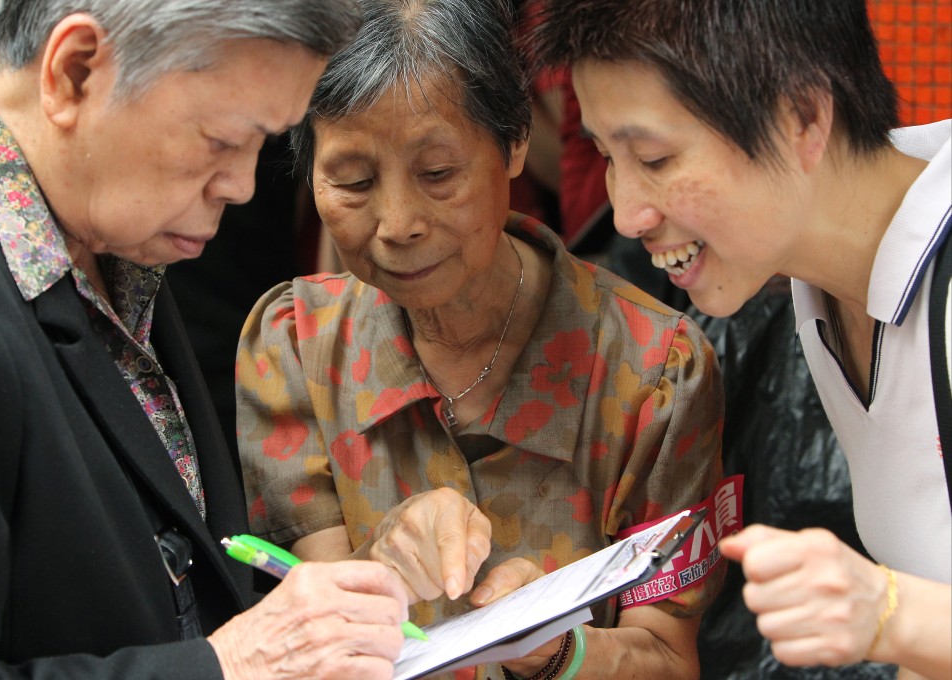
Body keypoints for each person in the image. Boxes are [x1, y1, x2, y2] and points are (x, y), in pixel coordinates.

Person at [236, 1, 729, 678]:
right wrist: (379, 565)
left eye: (438, 174)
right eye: (353, 181)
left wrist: (554, 647)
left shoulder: (654, 373)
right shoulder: (295, 349)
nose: (399, 223)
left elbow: (668, 659)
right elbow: (322, 645)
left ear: (516, 139)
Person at [0, 1, 415, 678]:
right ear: (75, 72)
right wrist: (231, 665)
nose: (242, 186)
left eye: (264, 145)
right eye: (219, 141)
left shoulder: (99, 212)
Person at [529, 1, 951, 679]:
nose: (629, 213)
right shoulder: (819, 274)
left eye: (655, 158)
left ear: (803, 118)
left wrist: (888, 614)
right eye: (608, 157)